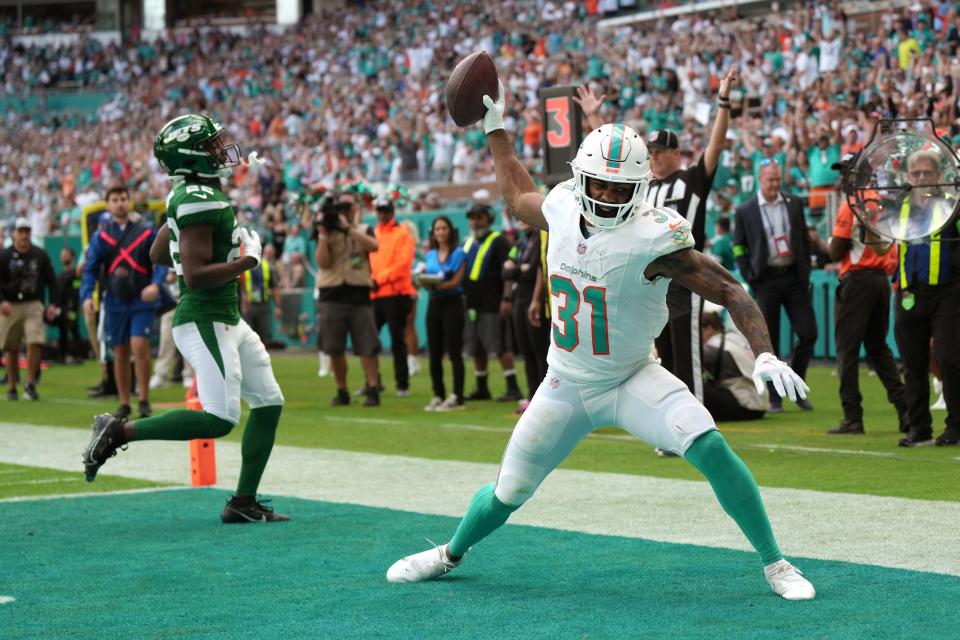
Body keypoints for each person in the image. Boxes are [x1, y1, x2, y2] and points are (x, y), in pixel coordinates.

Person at [386, 93, 815, 601]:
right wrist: (495, 129)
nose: (609, 194)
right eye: (600, 183)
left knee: (711, 447)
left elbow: (730, 290)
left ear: (641, 188)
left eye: (621, 187)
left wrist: (763, 350)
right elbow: (515, 191)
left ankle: (776, 563)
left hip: (633, 376)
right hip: (565, 381)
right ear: (580, 178)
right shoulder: (564, 206)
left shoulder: (657, 237)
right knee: (509, 492)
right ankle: (450, 553)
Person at [82, 113, 289, 524]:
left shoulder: (190, 192)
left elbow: (156, 253)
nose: (220, 150)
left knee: (268, 404)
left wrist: (185, 233)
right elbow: (193, 274)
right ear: (191, 154)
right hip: (204, 317)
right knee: (218, 419)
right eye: (211, 144)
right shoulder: (198, 197)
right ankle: (117, 431)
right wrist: (246, 260)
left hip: (225, 316)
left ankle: (242, 502)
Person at [582, 70, 737, 408]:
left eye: (659, 150)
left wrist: (723, 102)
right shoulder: (642, 187)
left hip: (685, 277)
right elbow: (611, 158)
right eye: (650, 150)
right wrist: (595, 117)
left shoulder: (691, 180)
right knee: (660, 358)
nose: (653, 155)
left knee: (687, 357)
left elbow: (715, 145)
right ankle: (669, 423)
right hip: (649, 282)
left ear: (675, 153)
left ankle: (695, 426)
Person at [826, 155, 908, 436]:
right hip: (880, 281)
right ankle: (905, 410)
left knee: (847, 350)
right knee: (878, 348)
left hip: (857, 280)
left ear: (857, 176)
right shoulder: (879, 201)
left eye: (846, 173)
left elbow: (836, 251)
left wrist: (819, 242)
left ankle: (853, 417)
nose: (842, 179)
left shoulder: (852, 203)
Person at [733, 160, 817, 413]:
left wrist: (805, 270)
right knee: (770, 342)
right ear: (760, 179)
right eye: (770, 180)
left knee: (808, 333)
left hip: (793, 277)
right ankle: (775, 397)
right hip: (765, 279)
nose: (775, 185)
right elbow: (739, 246)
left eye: (778, 180)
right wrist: (750, 274)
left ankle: (796, 386)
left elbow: (803, 237)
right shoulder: (745, 210)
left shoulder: (794, 203)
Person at [892, 149, 960, 447]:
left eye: (927, 173)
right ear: (908, 177)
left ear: (938, 177)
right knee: (912, 362)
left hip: (947, 293)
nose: (921, 178)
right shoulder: (898, 205)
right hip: (908, 292)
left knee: (949, 359)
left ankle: (956, 425)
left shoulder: (953, 205)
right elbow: (882, 245)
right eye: (916, 173)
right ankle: (919, 426)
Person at [81, 185, 167, 419]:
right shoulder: (102, 235)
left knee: (139, 345)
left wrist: (155, 284)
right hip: (115, 300)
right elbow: (91, 268)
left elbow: (159, 261)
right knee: (119, 351)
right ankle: (125, 402)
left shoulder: (147, 232)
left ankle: (144, 399)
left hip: (142, 299)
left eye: (123, 199)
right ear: (108, 205)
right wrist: (87, 296)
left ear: (129, 202)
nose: (119, 203)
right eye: (115, 199)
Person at [314, 190, 381, 406]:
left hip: (358, 293)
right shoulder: (327, 231)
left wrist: (348, 229)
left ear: (355, 209)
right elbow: (322, 262)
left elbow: (374, 246)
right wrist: (323, 234)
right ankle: (342, 390)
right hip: (332, 293)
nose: (344, 210)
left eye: (348, 207)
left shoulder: (362, 229)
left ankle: (372, 388)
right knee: (334, 348)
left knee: (367, 346)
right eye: (340, 207)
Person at [462, 202, 523, 402]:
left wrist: (506, 299)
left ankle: (512, 386)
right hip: (472, 303)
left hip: (493, 302)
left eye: (479, 217)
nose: (475, 222)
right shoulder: (469, 241)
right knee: (476, 346)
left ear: (488, 218)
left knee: (500, 346)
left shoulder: (499, 241)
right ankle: (482, 387)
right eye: (472, 218)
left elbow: (507, 273)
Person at [0, 217, 58, 401]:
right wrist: (1, 301)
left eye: (27, 231)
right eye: (21, 231)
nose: (24, 235)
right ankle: (11, 386)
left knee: (35, 340)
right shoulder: (4, 256)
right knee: (11, 346)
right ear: (14, 234)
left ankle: (30, 383)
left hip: (33, 303)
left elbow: (52, 280)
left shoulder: (40, 254)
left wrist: (53, 303)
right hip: (11, 305)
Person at [418, 216, 467, 411]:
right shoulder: (430, 254)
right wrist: (424, 282)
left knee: (454, 351)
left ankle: (457, 396)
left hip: (452, 303)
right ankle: (438, 394)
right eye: (437, 229)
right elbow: (423, 279)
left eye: (444, 228)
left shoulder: (459, 253)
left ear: (451, 231)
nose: (440, 232)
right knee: (434, 352)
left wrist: (433, 285)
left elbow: (455, 282)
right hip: (434, 302)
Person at [369, 196, 416, 397]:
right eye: (379, 211)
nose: (382, 214)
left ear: (391, 212)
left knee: (398, 341)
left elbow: (403, 264)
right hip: (375, 293)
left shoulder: (402, 233)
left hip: (395, 294)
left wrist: (379, 278)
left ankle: (402, 384)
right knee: (369, 342)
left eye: (385, 211)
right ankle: (373, 382)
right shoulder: (373, 233)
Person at [502, 218, 550, 407]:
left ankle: (543, 399)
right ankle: (532, 397)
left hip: (534, 299)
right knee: (526, 352)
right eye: (517, 217)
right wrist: (518, 269)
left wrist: (516, 270)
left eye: (524, 215)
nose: (521, 219)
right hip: (519, 300)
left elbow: (533, 271)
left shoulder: (540, 238)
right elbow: (504, 273)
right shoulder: (521, 242)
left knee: (540, 352)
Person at [701, 305, 768, 421]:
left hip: (745, 406)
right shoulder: (734, 338)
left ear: (709, 328)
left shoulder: (713, 347)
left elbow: (687, 367)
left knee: (692, 385)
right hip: (760, 404)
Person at [239, 243, 282, 346]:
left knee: (263, 338)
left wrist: (278, 307)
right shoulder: (244, 265)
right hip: (248, 306)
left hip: (263, 305)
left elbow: (274, 287)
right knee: (247, 337)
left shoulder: (267, 266)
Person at [54, 246, 83, 363]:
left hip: (71, 309)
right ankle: (62, 356)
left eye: (66, 254)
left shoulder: (76, 275)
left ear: (72, 257)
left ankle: (79, 356)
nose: (63, 257)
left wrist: (72, 307)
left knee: (73, 329)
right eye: (62, 255)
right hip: (60, 309)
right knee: (62, 331)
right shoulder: (60, 275)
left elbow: (76, 291)